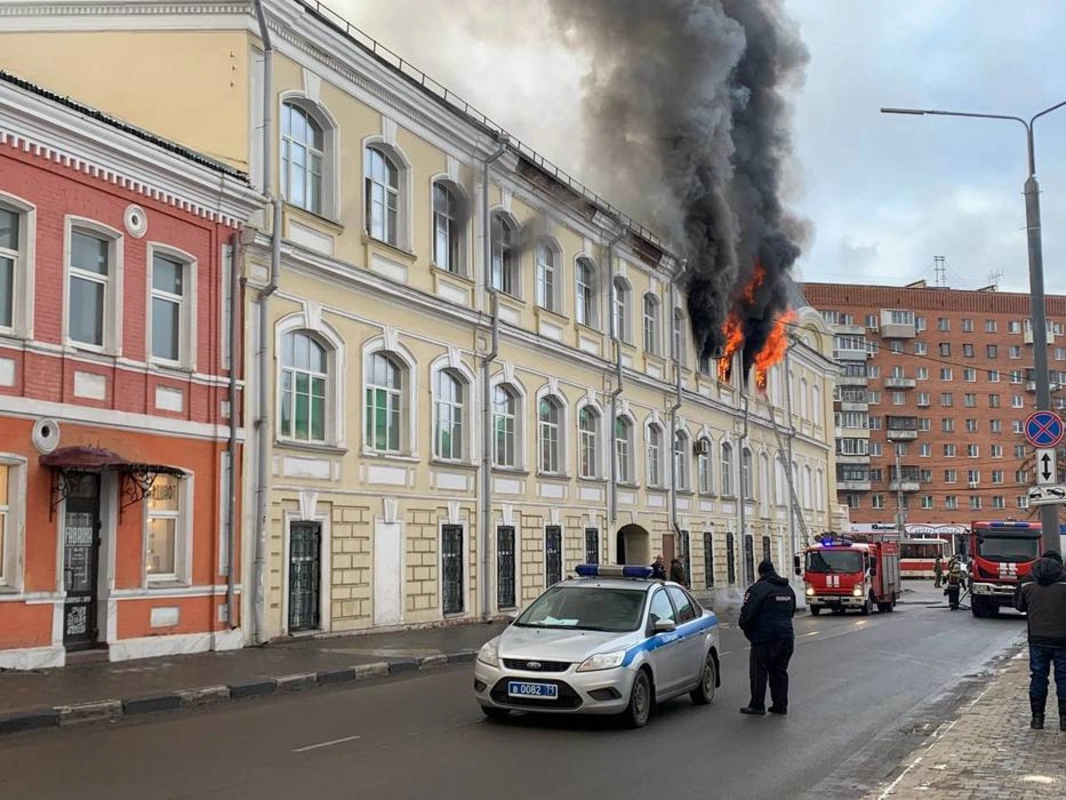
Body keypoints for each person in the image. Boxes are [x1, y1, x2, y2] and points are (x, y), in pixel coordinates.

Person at [1013, 550, 1066, 730]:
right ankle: (1064, 720)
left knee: (1038, 677)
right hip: (1063, 639)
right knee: (1064, 678)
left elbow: (1019, 606)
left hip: (1036, 638)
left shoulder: (1027, 581)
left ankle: (1037, 719)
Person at [738, 559, 797, 716]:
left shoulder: (758, 589)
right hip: (786, 637)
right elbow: (791, 613)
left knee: (759, 671)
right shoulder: (787, 589)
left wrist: (747, 629)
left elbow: (747, 613)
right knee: (779, 671)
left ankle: (757, 705)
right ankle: (780, 705)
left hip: (764, 638)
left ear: (760, 573)